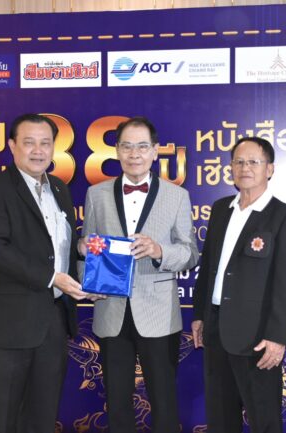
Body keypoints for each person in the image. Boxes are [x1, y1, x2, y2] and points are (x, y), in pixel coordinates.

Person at [0, 113, 98, 433]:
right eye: (29, 142)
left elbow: (55, 247)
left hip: (52, 322)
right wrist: (52, 278)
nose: (38, 150)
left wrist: (80, 250)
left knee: (42, 418)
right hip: (5, 327)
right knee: (1, 421)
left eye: (45, 143)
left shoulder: (59, 188)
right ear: (12, 146)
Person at [79, 116, 199, 433]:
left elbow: (190, 253)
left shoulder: (177, 195)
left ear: (155, 151)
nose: (134, 154)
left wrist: (159, 251)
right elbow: (88, 246)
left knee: (163, 400)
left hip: (158, 313)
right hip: (111, 309)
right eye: (127, 146)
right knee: (117, 401)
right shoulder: (96, 194)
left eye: (142, 146)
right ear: (117, 150)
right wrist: (88, 281)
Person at [192, 136, 286, 433]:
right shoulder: (221, 209)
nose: (245, 168)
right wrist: (200, 315)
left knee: (263, 418)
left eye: (254, 162)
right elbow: (209, 267)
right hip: (216, 328)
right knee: (220, 417)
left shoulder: (285, 215)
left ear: (270, 169)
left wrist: (277, 337)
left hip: (257, 335)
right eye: (239, 162)